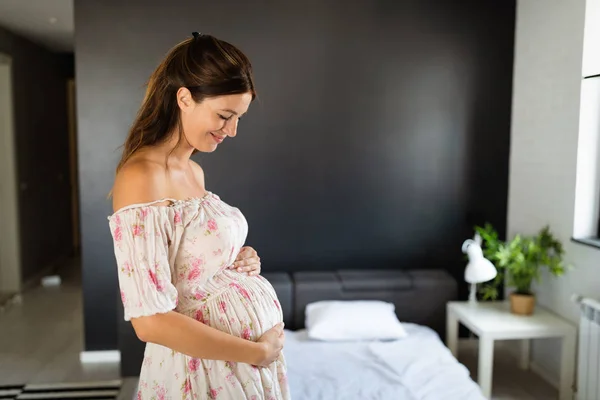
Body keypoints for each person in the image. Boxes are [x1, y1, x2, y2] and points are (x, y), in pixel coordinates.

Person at [107, 32, 289, 399]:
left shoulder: (193, 172)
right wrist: (257, 352)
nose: (232, 130)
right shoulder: (142, 177)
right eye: (224, 115)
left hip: (236, 369)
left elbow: (193, 264)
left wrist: (237, 257)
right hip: (199, 373)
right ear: (185, 98)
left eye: (239, 118)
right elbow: (149, 320)